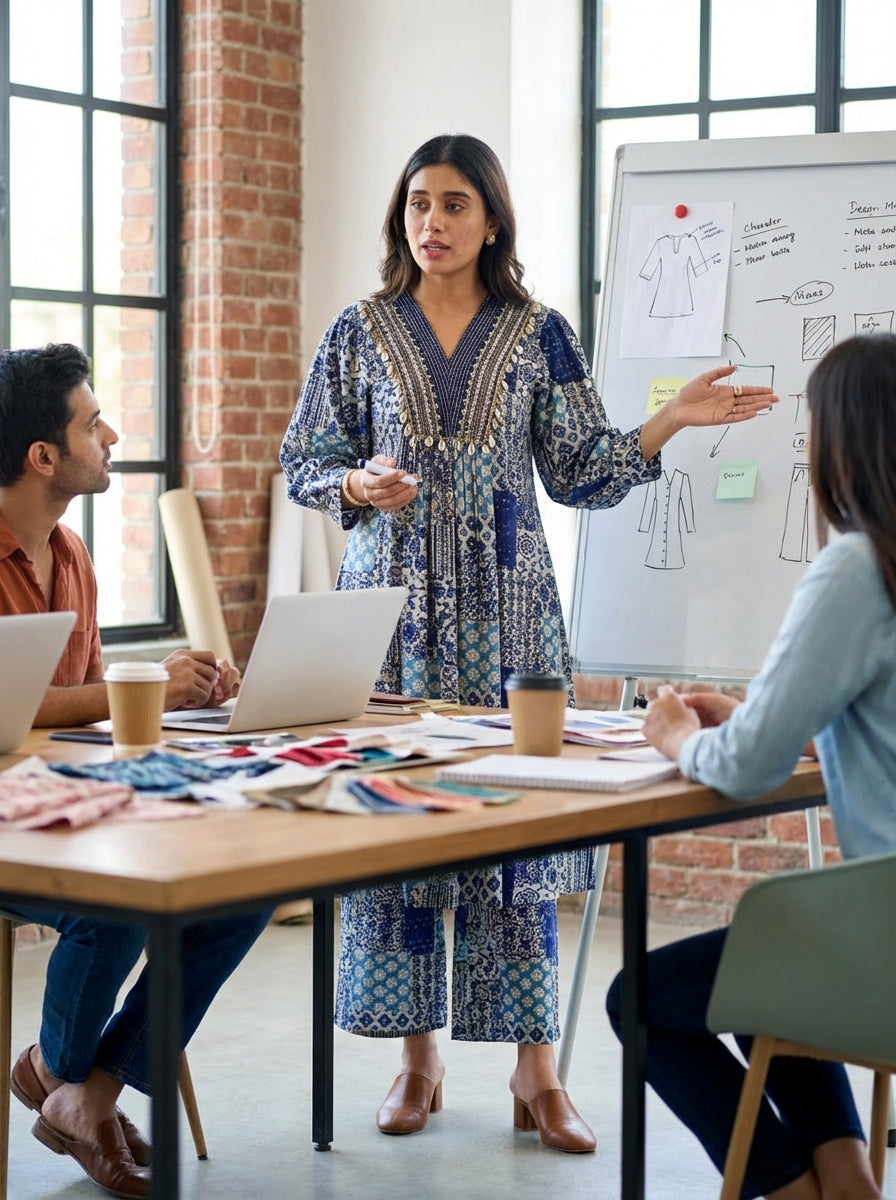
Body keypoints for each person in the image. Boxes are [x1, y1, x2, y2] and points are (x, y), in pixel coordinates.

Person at [279, 132, 774, 1153]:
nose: (433, 221)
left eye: (455, 204)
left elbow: (580, 470)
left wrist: (669, 420)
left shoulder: (538, 332)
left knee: (522, 834)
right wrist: (356, 487)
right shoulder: (358, 330)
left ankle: (535, 1077)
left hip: (513, 621)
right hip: (393, 625)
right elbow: (303, 463)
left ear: (491, 219)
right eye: (418, 202)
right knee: (401, 831)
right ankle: (415, 1061)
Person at [606, 333, 896, 1199]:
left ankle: (786, 1188)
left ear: (842, 441)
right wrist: (784, 722)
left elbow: (738, 770)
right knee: (776, 961)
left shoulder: (858, 565)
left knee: (643, 999)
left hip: (884, 942)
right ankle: (846, 1179)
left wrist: (670, 735)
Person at [0, 342, 271, 1200]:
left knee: (242, 883)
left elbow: (70, 698)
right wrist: (137, 688)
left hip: (68, 794)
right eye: (92, 422)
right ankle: (70, 1082)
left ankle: (79, 1084)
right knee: (112, 907)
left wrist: (169, 691)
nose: (111, 434)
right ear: (44, 456)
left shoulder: (70, 553)